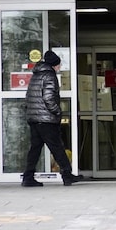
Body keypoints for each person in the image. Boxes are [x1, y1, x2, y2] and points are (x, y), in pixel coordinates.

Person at [22, 50, 80, 187]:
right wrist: (57, 112)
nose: (59, 68)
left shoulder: (36, 75)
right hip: (46, 119)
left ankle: (28, 177)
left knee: (35, 149)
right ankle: (67, 175)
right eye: (59, 65)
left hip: (35, 119)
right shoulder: (49, 76)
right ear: (54, 65)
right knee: (57, 147)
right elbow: (48, 98)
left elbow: (29, 97)